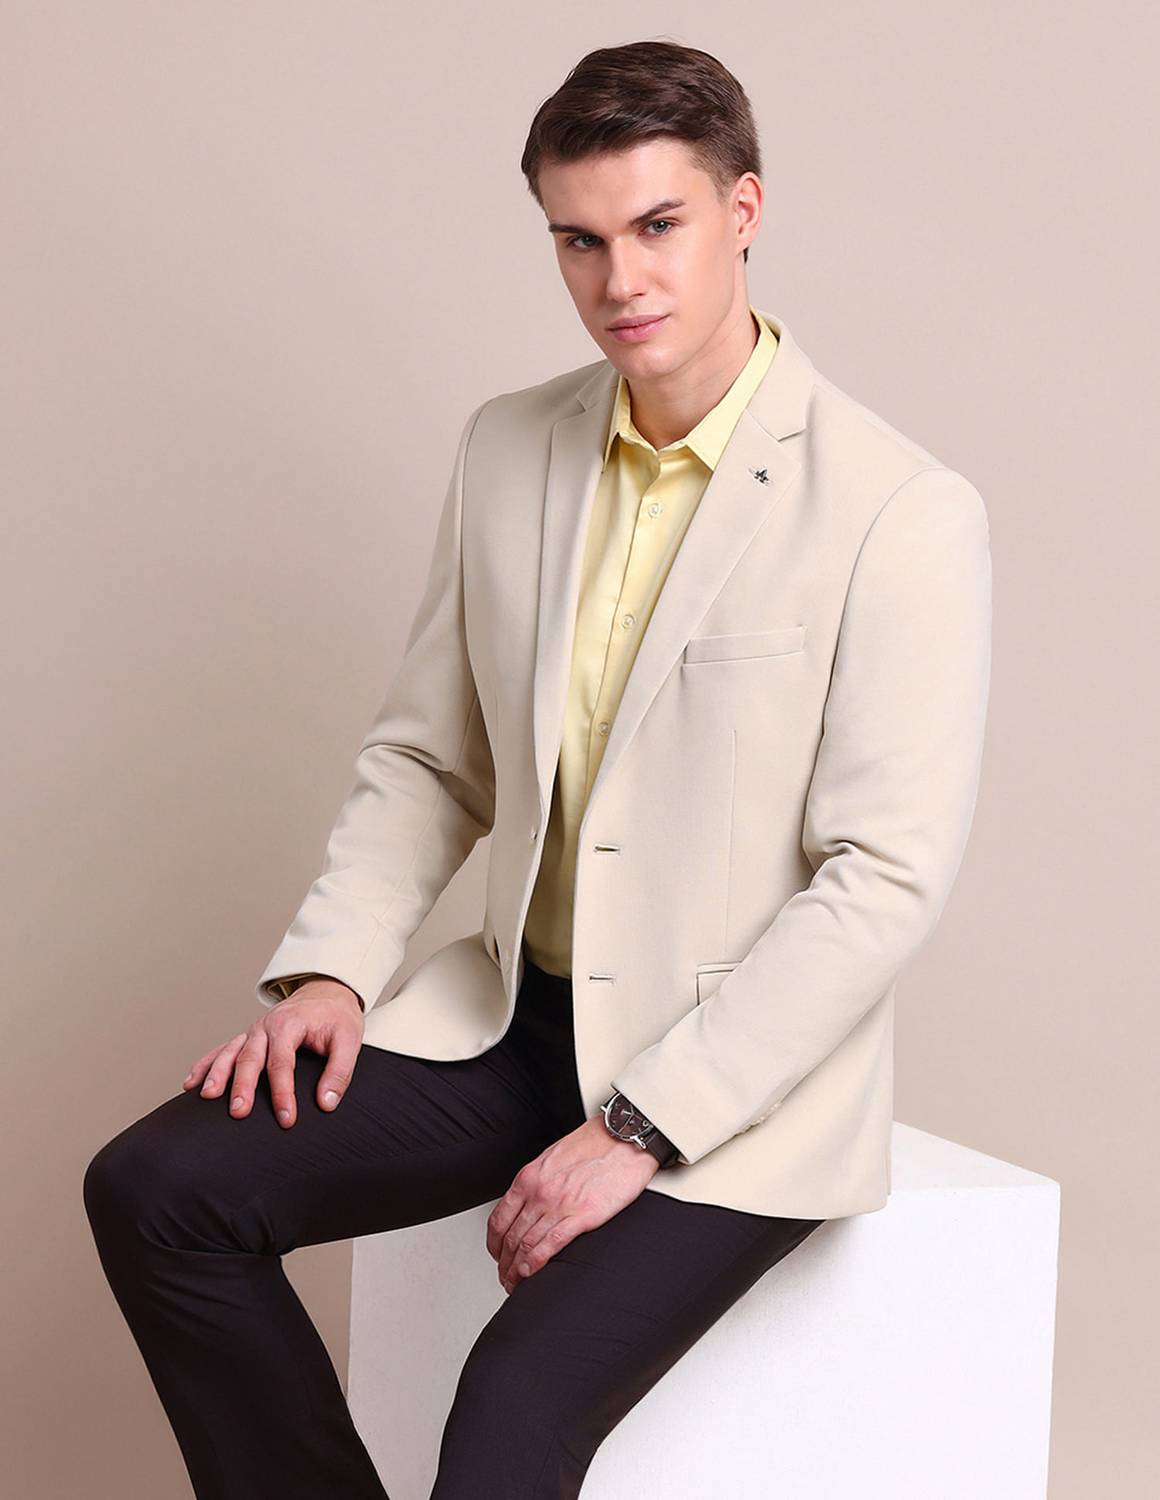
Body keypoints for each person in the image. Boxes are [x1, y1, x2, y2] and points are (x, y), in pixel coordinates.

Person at [83, 38, 991, 1500]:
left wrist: (638, 1127)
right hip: (518, 1023)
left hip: (736, 1084)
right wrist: (334, 973)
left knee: (508, 1410)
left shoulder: (899, 508)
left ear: (744, 210)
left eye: (658, 225)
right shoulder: (508, 448)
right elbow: (432, 757)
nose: (621, 279)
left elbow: (882, 881)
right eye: (579, 240)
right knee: (157, 1191)